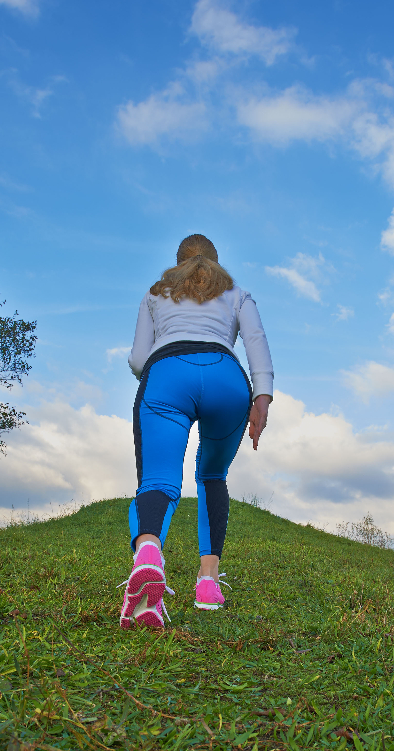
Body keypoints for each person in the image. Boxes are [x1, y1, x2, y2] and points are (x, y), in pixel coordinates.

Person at [119, 234, 273, 629]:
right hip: (227, 379)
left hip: (168, 375)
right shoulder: (237, 292)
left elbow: (138, 358)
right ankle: (208, 585)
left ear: (178, 261)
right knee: (212, 476)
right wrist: (263, 397)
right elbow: (255, 340)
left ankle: (150, 555)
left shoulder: (156, 292)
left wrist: (155, 369)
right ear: (216, 262)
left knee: (158, 479)